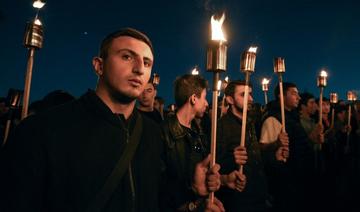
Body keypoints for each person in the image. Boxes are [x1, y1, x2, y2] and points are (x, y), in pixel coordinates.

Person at [1, 28, 222, 212]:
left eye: (147, 63)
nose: (138, 68)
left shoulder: (153, 134)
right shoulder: (43, 130)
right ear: (99, 65)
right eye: (127, 56)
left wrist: (193, 193)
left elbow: (157, 201)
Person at [160, 74, 228, 212]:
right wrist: (191, 205)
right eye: (204, 97)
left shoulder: (199, 133)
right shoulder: (163, 133)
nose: (207, 103)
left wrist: (224, 180)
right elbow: (161, 187)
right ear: (193, 98)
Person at [217, 80, 285, 212]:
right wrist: (232, 159)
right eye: (244, 95)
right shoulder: (222, 126)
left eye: (251, 94)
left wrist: (274, 152)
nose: (251, 99)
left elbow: (255, 156)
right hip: (238, 201)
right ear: (230, 100)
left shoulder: (249, 123)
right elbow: (215, 163)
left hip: (259, 196)